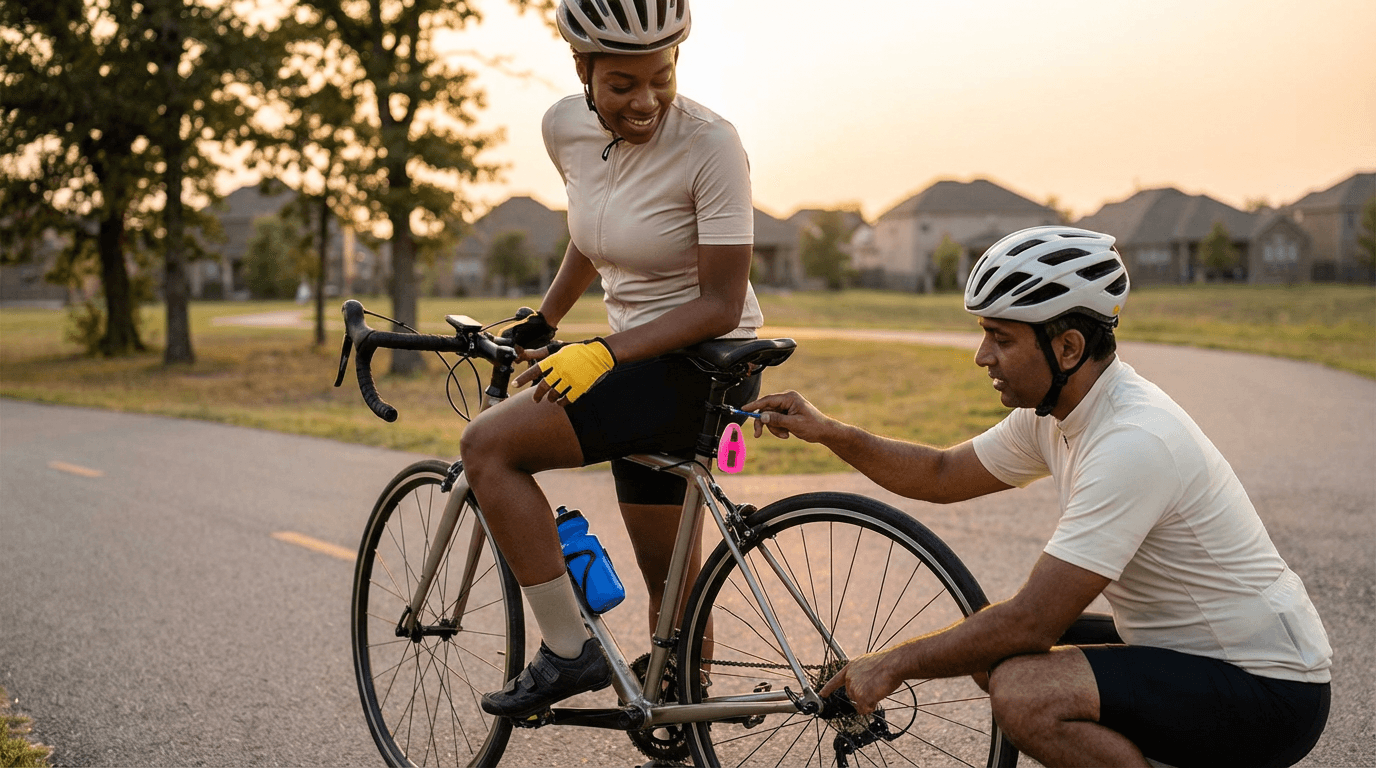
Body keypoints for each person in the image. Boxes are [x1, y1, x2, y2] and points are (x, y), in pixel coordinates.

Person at [744, 225, 1332, 768]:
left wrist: (891, 665)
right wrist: (832, 432)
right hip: (1181, 652)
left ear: (1068, 347)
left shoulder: (1132, 441)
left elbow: (1031, 622)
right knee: (980, 647)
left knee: (1026, 694)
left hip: (1268, 687)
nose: (982, 357)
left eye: (999, 338)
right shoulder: (1058, 412)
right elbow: (944, 474)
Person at [460, 0, 764, 719]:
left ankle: (568, 651)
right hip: (632, 360)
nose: (647, 101)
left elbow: (721, 303)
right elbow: (595, 228)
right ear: (582, 72)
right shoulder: (563, 127)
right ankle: (684, 724)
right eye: (622, 84)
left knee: (488, 448)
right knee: (668, 582)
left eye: (662, 77)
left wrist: (600, 352)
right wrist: (551, 316)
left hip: (707, 365)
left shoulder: (712, 144)